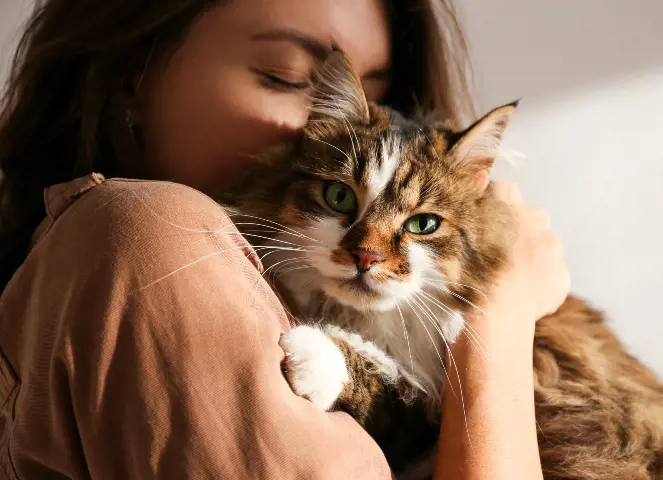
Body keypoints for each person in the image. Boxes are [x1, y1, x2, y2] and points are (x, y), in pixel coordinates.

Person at [0, 0, 570, 478]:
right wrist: (499, 319)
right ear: (132, 75)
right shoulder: (152, 234)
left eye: (375, 94)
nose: (332, 129)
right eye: (291, 77)